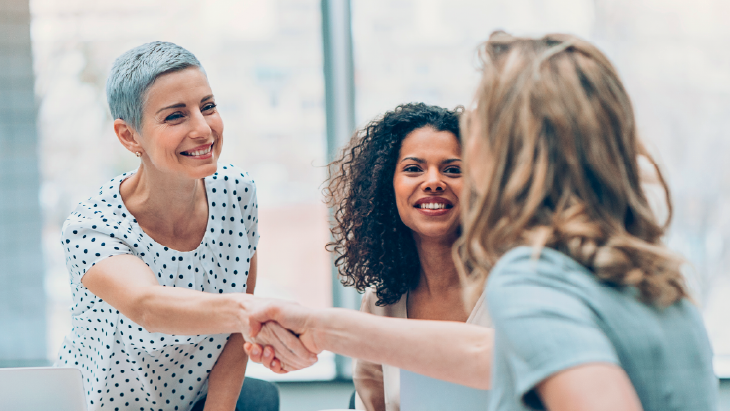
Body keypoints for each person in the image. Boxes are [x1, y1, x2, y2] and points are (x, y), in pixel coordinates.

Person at [245, 31, 717, 411]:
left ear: (514, 151)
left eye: (481, 126)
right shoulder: (651, 274)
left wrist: (322, 328)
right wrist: (323, 327)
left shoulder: (531, 276)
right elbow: (487, 355)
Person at [54, 41, 314, 411]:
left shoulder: (237, 193)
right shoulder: (92, 226)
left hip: (197, 400)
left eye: (207, 107)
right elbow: (148, 307)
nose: (204, 129)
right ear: (129, 136)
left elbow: (234, 336)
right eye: (176, 116)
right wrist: (254, 312)